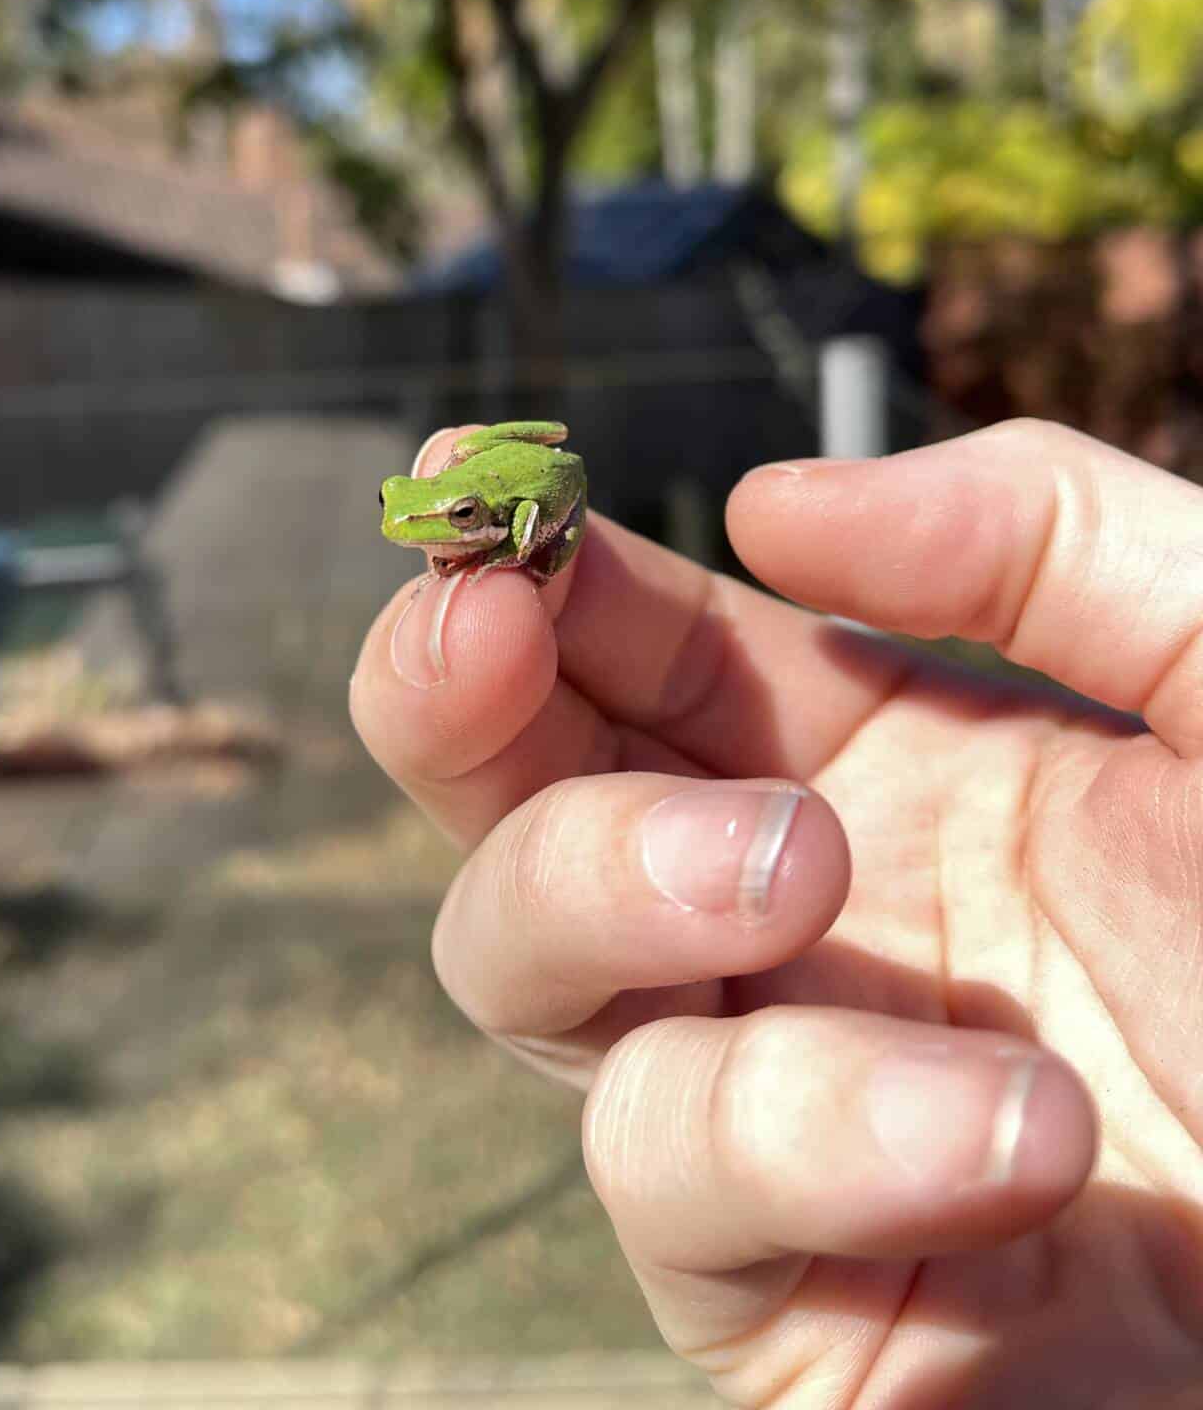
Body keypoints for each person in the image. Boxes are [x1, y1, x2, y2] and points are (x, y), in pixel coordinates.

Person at [349, 419, 1203, 1409]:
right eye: (393, 511)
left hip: (537, 487)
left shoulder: (527, 504)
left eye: (446, 521)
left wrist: (527, 545)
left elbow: (559, 467)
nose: (412, 532)